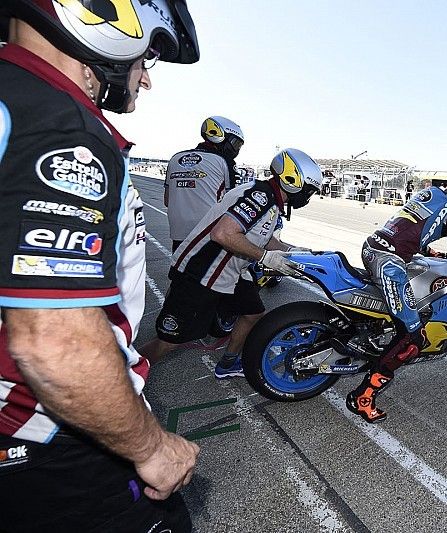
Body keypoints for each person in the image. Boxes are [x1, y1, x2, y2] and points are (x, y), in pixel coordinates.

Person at [0, 1, 200, 531]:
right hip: (49, 436)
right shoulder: (64, 128)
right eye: (146, 57)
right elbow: (56, 341)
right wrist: (151, 448)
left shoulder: (16, 97)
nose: (146, 79)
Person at [139, 149, 321, 377]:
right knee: (168, 342)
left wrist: (292, 252)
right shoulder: (260, 196)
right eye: (309, 190)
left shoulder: (270, 200)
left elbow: (265, 238)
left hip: (228, 273)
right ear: (293, 181)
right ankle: (122, 375)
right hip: (201, 273)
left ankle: (228, 363)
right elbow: (223, 234)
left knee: (253, 313)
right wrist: (265, 257)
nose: (308, 197)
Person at [344, 178, 447, 423]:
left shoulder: (431, 194)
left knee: (399, 314)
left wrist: (433, 253)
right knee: (412, 338)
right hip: (388, 262)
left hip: (374, 247)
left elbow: (411, 229)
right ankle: (363, 397)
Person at [164, 116, 245, 252]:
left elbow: (167, 200)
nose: (237, 149)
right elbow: (234, 203)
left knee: (179, 265)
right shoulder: (225, 161)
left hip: (178, 235)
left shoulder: (175, 158)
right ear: (222, 137)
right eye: (236, 143)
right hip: (208, 235)